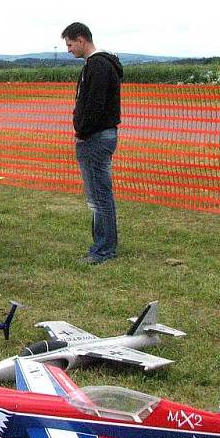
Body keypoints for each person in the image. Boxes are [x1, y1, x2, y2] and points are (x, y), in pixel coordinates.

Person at [61, 22, 123, 264]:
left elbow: (94, 105)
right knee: (98, 196)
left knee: (99, 197)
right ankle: (102, 244)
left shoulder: (97, 66)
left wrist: (82, 131)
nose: (68, 50)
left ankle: (104, 249)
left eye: (69, 44)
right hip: (100, 135)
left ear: (81, 39)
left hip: (95, 138)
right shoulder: (99, 65)